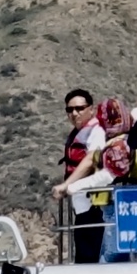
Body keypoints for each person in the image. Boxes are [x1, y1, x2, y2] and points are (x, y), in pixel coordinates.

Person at [55, 88, 117, 261]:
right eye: (70, 109)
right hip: (82, 205)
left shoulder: (96, 132)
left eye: (80, 108)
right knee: (83, 254)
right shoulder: (79, 132)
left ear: (91, 109)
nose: (74, 113)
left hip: (95, 206)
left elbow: (91, 159)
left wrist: (67, 185)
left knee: (91, 256)